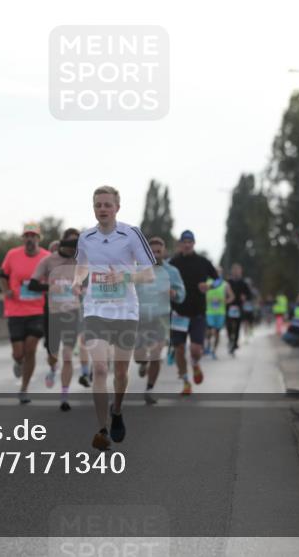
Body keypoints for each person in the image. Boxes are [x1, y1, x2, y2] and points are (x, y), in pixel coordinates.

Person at [72, 186, 155, 450]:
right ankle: (102, 429)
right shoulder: (86, 237)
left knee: (120, 371)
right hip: (95, 309)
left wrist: (124, 276)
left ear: (117, 207)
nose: (102, 209)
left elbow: (149, 274)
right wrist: (76, 280)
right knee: (99, 368)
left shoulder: (131, 234)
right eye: (98, 205)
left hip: (125, 310)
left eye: (107, 205)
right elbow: (82, 265)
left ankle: (117, 409)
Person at [29, 227, 82, 411]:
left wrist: (81, 289)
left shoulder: (80, 262)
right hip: (52, 313)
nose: (73, 248)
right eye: (70, 243)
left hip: (72, 312)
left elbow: (91, 284)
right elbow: (33, 284)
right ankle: (52, 368)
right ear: (62, 242)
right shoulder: (49, 260)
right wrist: (49, 288)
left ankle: (64, 396)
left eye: (77, 243)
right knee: (53, 355)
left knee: (67, 356)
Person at [0, 223, 51, 404]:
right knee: (18, 353)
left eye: (33, 236)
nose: (30, 239)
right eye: (27, 236)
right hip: (15, 309)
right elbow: (2, 276)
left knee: (31, 349)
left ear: (38, 238)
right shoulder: (12, 255)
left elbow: (54, 279)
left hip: (37, 309)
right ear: (23, 239)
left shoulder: (46, 257)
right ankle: (18, 362)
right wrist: (6, 291)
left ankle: (24, 388)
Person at [135, 236, 185, 405]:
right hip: (141, 317)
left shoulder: (172, 272)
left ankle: (149, 389)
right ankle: (142, 363)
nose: (156, 254)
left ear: (164, 252)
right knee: (140, 355)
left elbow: (181, 293)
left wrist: (175, 294)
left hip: (162, 318)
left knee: (157, 354)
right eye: (152, 251)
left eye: (159, 251)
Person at [169, 230, 218, 395]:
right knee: (179, 349)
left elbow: (218, 279)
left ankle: (195, 364)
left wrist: (209, 286)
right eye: (184, 241)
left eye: (190, 242)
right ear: (180, 244)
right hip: (178, 313)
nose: (187, 244)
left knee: (196, 349)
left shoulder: (203, 262)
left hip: (198, 312)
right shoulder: (173, 263)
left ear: (194, 243)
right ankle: (185, 381)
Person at [204, 270, 234, 359]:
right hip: (209, 312)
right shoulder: (207, 283)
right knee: (210, 330)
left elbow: (232, 296)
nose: (217, 273)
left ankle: (214, 351)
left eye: (219, 272)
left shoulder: (225, 284)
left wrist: (226, 301)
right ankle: (208, 344)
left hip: (220, 312)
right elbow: (201, 294)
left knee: (217, 333)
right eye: (216, 271)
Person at [225, 263, 254, 353]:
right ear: (232, 272)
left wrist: (245, 297)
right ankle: (230, 339)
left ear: (241, 272)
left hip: (239, 306)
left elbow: (250, 295)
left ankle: (235, 342)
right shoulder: (228, 282)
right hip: (229, 306)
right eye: (235, 270)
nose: (236, 272)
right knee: (229, 324)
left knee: (237, 325)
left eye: (238, 271)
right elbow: (223, 292)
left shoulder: (243, 283)